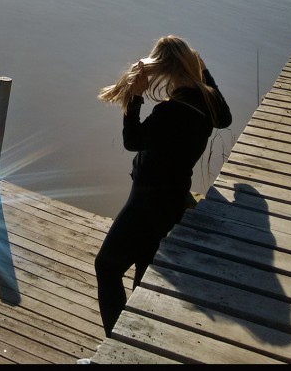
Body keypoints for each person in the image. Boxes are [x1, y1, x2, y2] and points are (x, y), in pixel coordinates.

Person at [94, 35, 232, 337]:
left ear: (166, 68)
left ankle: (116, 343)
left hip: (147, 202)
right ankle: (134, 340)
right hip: (172, 199)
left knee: (106, 267)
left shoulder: (171, 111)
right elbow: (225, 118)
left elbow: (133, 141)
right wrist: (205, 71)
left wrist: (134, 99)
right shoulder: (207, 99)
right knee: (143, 273)